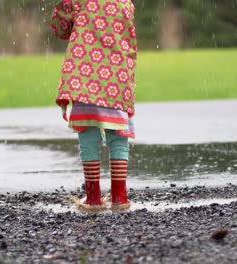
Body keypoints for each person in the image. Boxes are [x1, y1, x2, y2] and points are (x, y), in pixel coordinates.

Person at [51, 0, 137, 211]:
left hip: (85, 76)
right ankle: (119, 197)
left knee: (88, 135)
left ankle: (93, 198)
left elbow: (59, 28)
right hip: (116, 78)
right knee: (118, 137)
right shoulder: (125, 3)